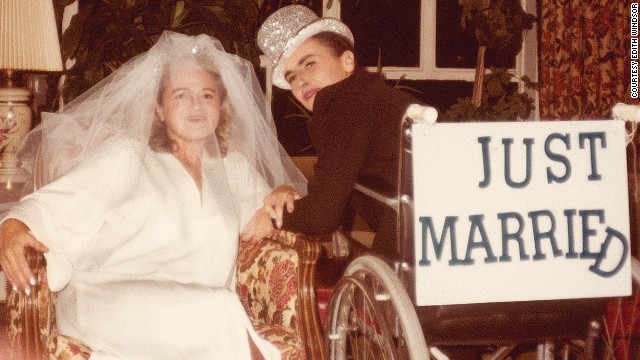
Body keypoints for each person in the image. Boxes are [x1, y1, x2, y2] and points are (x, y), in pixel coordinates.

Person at [0, 31, 307, 360]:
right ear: (159, 109)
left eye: (207, 95)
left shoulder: (233, 168)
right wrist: (12, 227)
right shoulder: (128, 157)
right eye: (180, 95)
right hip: (108, 298)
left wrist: (283, 196)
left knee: (216, 309)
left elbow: (273, 209)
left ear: (221, 106)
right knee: (219, 311)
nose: (196, 106)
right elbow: (49, 207)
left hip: (195, 307)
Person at [257, 5, 425, 258]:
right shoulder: (368, 96)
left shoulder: (344, 102)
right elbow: (333, 190)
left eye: (310, 64)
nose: (300, 80)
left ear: (347, 61)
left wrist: (268, 220)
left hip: (418, 227)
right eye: (291, 77)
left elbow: (322, 216)